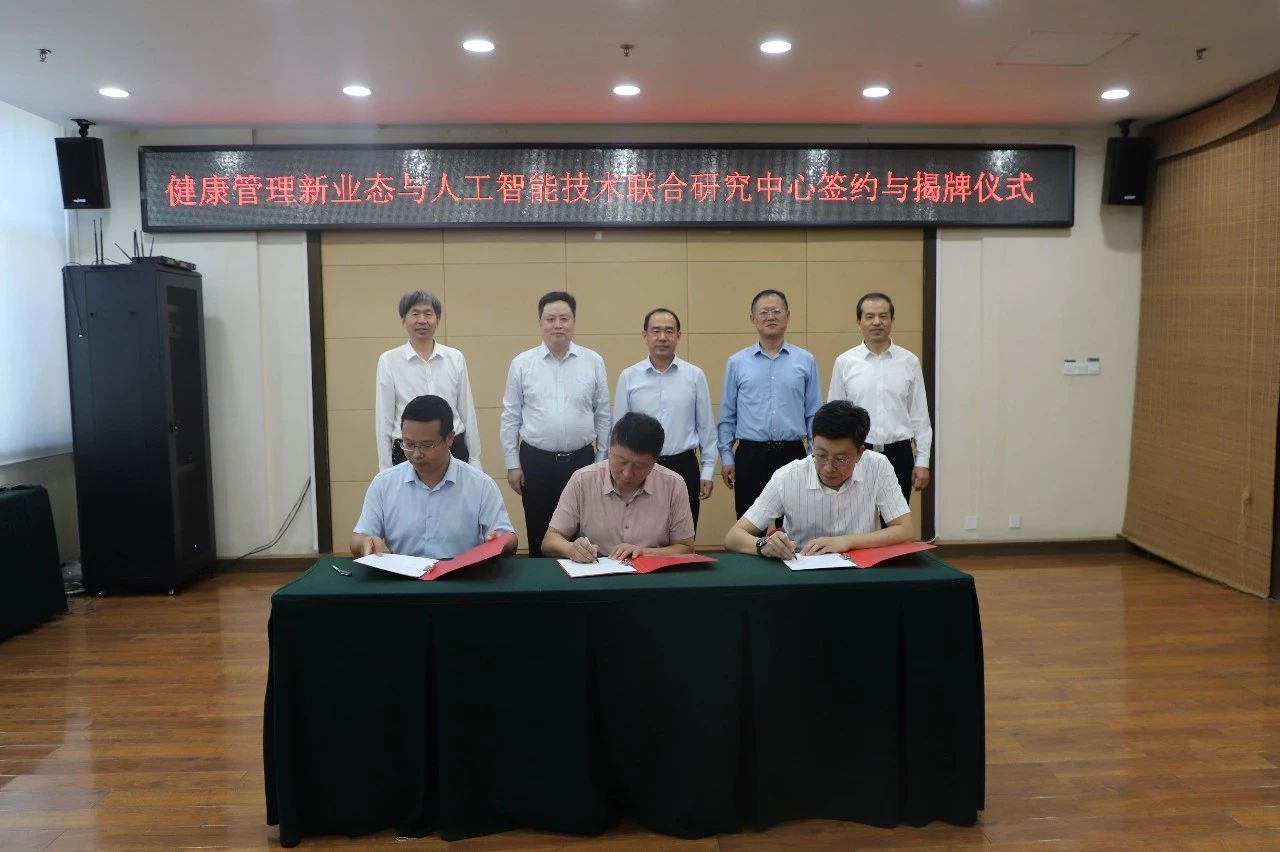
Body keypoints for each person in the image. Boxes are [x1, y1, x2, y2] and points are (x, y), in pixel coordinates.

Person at [725, 400, 913, 559]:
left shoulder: (878, 466)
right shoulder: (788, 476)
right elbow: (733, 537)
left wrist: (847, 542)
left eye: (841, 459)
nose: (828, 467)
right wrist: (763, 545)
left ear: (859, 453)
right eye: (821, 455)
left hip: (861, 571)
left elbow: (904, 529)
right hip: (803, 573)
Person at [500, 291, 611, 557]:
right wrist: (512, 464)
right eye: (550, 319)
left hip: (582, 461)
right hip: (536, 463)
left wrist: (601, 460)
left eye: (564, 318)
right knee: (540, 534)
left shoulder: (593, 361)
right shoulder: (522, 363)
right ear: (540, 323)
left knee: (584, 535)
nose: (557, 325)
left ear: (574, 321)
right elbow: (510, 416)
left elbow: (603, 414)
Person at [352, 394, 517, 558]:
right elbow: (358, 539)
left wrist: (499, 541)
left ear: (450, 438)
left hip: (462, 573)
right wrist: (366, 542)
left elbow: (509, 539)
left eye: (426, 445)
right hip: (401, 573)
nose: (416, 454)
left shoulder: (481, 485)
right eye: (409, 444)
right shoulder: (384, 483)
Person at [717, 288, 821, 520]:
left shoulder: (806, 360)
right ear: (753, 319)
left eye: (777, 311)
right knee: (750, 525)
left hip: (793, 454)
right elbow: (728, 415)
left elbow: (813, 414)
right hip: (750, 455)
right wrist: (727, 457)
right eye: (764, 312)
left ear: (788, 316)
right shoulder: (737, 362)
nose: (770, 317)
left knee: (796, 524)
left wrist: (814, 456)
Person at [543, 412, 696, 562]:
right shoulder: (582, 480)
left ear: (655, 461)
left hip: (651, 573)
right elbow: (550, 541)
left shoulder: (674, 485)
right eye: (621, 461)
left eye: (639, 466)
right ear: (610, 448)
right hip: (596, 571)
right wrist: (571, 549)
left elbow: (686, 548)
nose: (627, 473)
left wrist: (644, 552)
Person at [613, 308, 715, 529]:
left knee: (683, 534)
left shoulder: (694, 375)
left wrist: (707, 471)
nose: (662, 337)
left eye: (669, 331)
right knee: (641, 531)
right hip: (640, 467)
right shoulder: (629, 376)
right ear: (645, 335)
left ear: (678, 336)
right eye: (656, 331)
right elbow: (618, 431)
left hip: (684, 465)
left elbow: (706, 429)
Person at [827, 291, 932, 503]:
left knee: (895, 519)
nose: (877, 322)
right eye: (869, 317)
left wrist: (922, 462)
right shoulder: (845, 362)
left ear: (892, 320)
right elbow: (835, 417)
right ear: (859, 322)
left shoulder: (909, 362)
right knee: (856, 518)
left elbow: (920, 417)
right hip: (858, 454)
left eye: (883, 316)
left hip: (899, 453)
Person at [375, 290, 480, 469]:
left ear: (437, 320)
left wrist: (475, 460)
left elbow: (467, 412)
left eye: (428, 314)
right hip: (409, 450)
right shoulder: (389, 361)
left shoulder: (455, 358)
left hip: (452, 445)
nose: (422, 320)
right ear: (403, 320)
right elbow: (383, 419)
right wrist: (385, 468)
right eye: (415, 314)